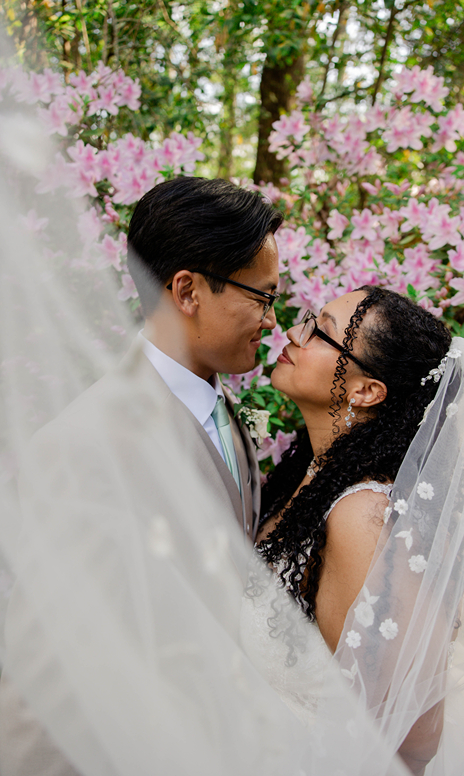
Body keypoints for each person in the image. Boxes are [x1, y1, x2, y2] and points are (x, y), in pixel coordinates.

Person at [0, 176, 283, 776]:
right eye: (261, 297)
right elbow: (45, 669)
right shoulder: (86, 444)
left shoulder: (227, 413)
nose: (271, 320)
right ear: (187, 290)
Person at [241, 286, 464, 775]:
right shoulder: (309, 471)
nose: (291, 333)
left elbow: (411, 739)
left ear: (366, 390)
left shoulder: (360, 516)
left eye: (319, 331)